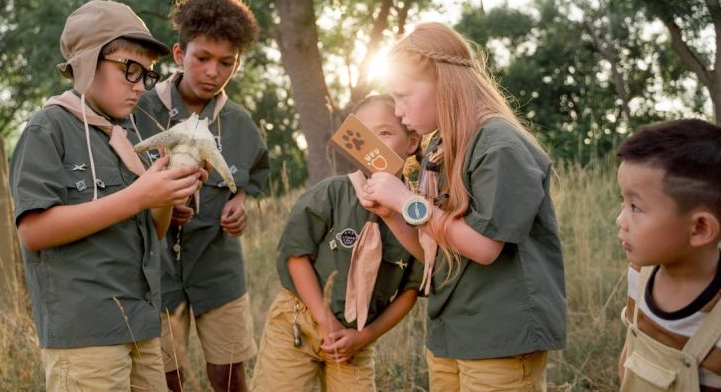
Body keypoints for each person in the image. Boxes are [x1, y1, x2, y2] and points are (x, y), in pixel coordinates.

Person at [9, 0, 207, 391]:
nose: (139, 85)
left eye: (147, 75)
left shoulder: (133, 136)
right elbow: (33, 231)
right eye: (129, 69)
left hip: (142, 325)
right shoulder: (48, 129)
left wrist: (167, 195)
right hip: (87, 335)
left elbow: (154, 232)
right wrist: (138, 196)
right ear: (87, 61)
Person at [361, 22, 566, 391]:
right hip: (452, 333)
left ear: (444, 82)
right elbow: (434, 250)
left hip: (499, 337)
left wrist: (406, 201)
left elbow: (484, 247)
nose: (398, 111)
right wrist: (391, 212)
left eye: (403, 95)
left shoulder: (499, 145)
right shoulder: (442, 147)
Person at [131, 0, 268, 392]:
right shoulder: (139, 111)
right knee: (166, 375)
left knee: (229, 374)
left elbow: (252, 177)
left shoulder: (240, 123)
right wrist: (159, 206)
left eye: (226, 63)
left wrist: (240, 202)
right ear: (179, 54)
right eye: (202, 58)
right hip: (155, 267)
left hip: (217, 263)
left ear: (237, 63)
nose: (213, 72)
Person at [250, 94, 424, 391]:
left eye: (384, 133)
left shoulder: (418, 214)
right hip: (299, 322)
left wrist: (364, 337)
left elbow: (410, 292)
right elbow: (296, 257)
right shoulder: (330, 194)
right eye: (365, 135)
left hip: (355, 339)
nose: (375, 144)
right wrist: (325, 321)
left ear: (412, 142)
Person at [615, 119, 721, 391]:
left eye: (635, 207)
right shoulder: (639, 273)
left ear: (699, 228)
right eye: (622, 202)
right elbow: (631, 347)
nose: (620, 220)